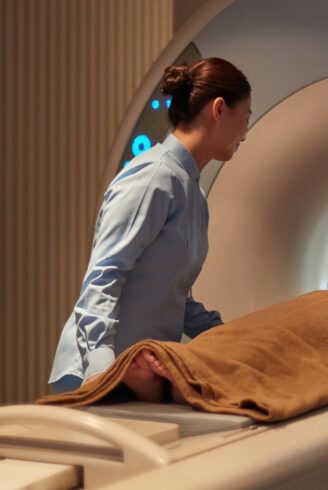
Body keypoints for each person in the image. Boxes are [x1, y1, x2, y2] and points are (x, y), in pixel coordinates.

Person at [48, 58, 253, 393]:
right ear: (218, 110)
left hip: (141, 376)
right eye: (245, 118)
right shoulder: (155, 178)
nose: (245, 133)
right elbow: (103, 277)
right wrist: (103, 371)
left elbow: (171, 295)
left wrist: (226, 335)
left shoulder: (193, 193)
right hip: (102, 373)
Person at [119, 261, 328, 404]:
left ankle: (179, 382)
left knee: (275, 354)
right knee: (251, 334)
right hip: (323, 312)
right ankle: (183, 368)